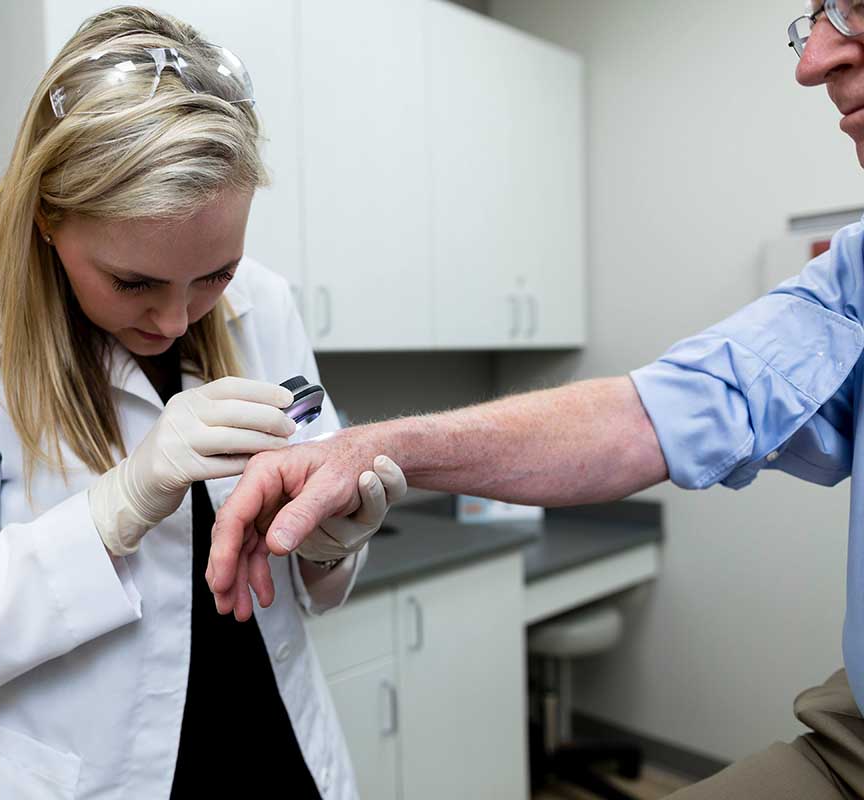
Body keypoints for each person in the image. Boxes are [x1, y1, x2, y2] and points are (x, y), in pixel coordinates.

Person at [207, 2, 864, 796]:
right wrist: (363, 449)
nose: (813, 59)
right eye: (819, 14)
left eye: (856, 8)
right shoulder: (855, 272)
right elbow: (656, 412)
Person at [0, 7, 404, 798]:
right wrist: (118, 508)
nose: (174, 320)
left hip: (277, 755)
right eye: (133, 282)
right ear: (47, 215)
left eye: (215, 275)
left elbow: (313, 579)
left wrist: (333, 540)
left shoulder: (264, 304)